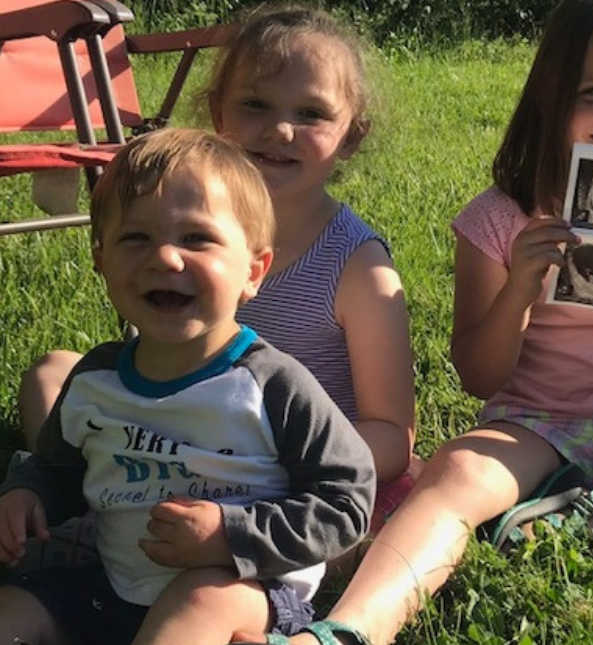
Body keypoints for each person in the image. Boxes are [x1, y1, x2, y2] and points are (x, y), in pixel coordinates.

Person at [281, 1, 593, 643]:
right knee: (453, 480)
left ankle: (591, 522)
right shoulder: (501, 218)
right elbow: (478, 375)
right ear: (553, 98)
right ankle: (349, 630)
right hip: (527, 426)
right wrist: (521, 288)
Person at [16, 3, 416, 557]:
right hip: (158, 432)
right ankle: (84, 500)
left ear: (351, 136)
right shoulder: (177, 223)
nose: (280, 129)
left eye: (311, 113)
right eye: (255, 103)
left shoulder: (357, 267)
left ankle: (120, 516)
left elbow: (393, 435)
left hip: (277, 476)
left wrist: (255, 457)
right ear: (217, 112)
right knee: (52, 373)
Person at [0, 128, 376, 645]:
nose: (166, 258)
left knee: (196, 603)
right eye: (136, 238)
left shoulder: (269, 384)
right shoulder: (95, 380)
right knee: (12, 612)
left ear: (253, 270)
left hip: (241, 583)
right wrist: (27, 492)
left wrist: (230, 536)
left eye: (196, 238)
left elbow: (347, 501)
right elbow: (59, 468)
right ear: (101, 258)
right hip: (111, 584)